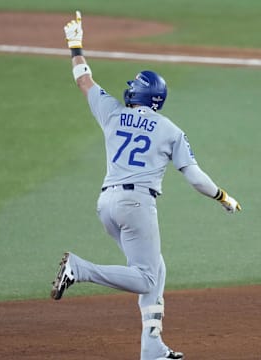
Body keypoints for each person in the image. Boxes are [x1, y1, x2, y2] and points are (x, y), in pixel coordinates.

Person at [50, 11, 241, 360]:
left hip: (105, 206)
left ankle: (152, 347)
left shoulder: (112, 111)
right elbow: (195, 177)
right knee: (147, 278)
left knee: (156, 270)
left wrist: (75, 44)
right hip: (136, 206)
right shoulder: (170, 129)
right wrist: (222, 196)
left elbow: (84, 80)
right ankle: (79, 269)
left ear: (137, 93)